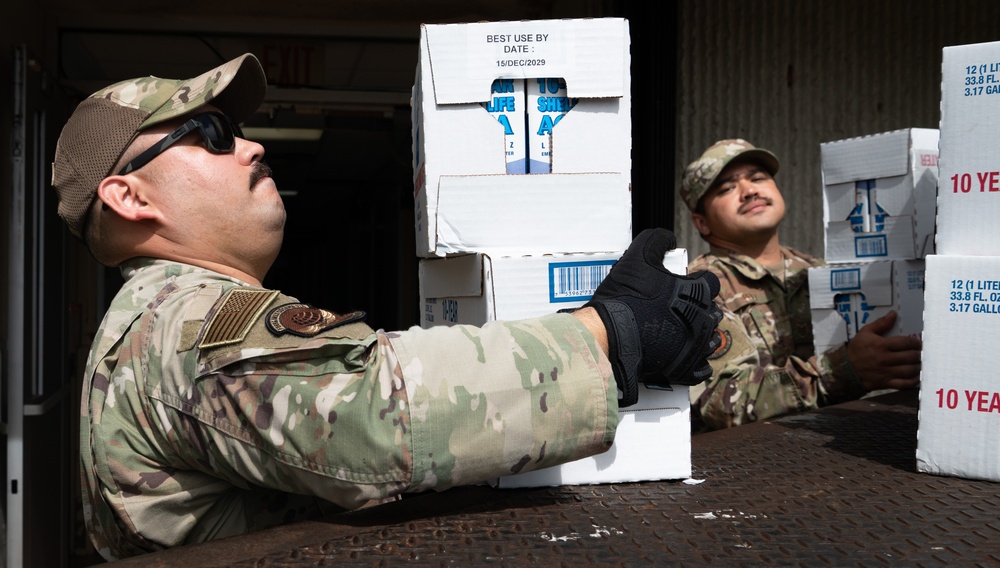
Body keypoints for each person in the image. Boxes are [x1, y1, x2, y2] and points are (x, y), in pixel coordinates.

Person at [52, 53, 723, 560]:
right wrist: (608, 333)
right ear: (129, 198)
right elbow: (373, 415)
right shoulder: (183, 324)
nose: (252, 145)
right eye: (210, 133)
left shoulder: (155, 319)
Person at [679, 139, 922, 432]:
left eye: (758, 178)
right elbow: (721, 402)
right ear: (701, 222)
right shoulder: (698, 289)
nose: (750, 191)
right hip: (747, 458)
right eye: (727, 188)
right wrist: (843, 370)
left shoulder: (819, 271)